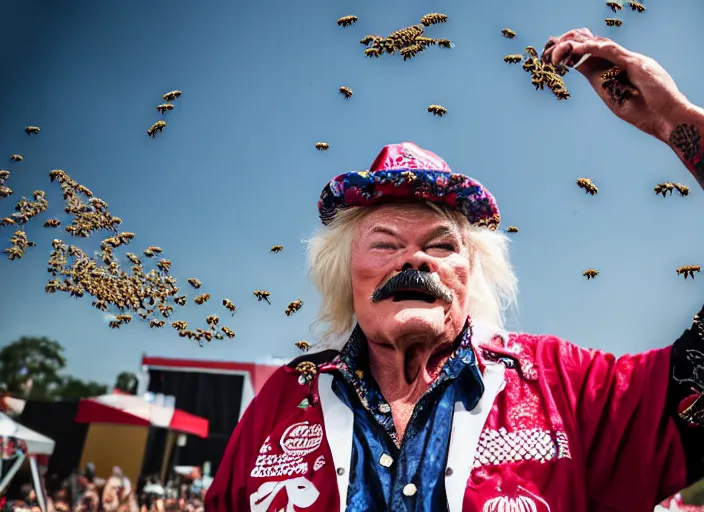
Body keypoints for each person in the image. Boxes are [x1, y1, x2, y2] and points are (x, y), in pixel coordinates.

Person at [206, 28, 704, 511]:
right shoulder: (284, 400)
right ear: (344, 270)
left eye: (441, 245)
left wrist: (675, 121)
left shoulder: (563, 387)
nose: (415, 259)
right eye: (385, 243)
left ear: (473, 270)